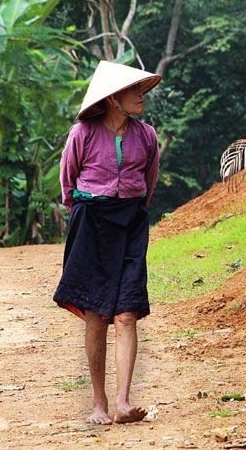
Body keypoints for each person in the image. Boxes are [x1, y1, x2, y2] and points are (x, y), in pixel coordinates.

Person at [54, 61, 161, 425]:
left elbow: (149, 182)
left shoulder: (146, 135)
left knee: (127, 313)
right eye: (134, 91)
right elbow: (68, 184)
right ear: (113, 98)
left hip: (130, 223)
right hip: (91, 223)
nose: (141, 96)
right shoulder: (82, 133)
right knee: (96, 315)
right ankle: (98, 402)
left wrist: (127, 211)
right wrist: (89, 213)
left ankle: (123, 401)